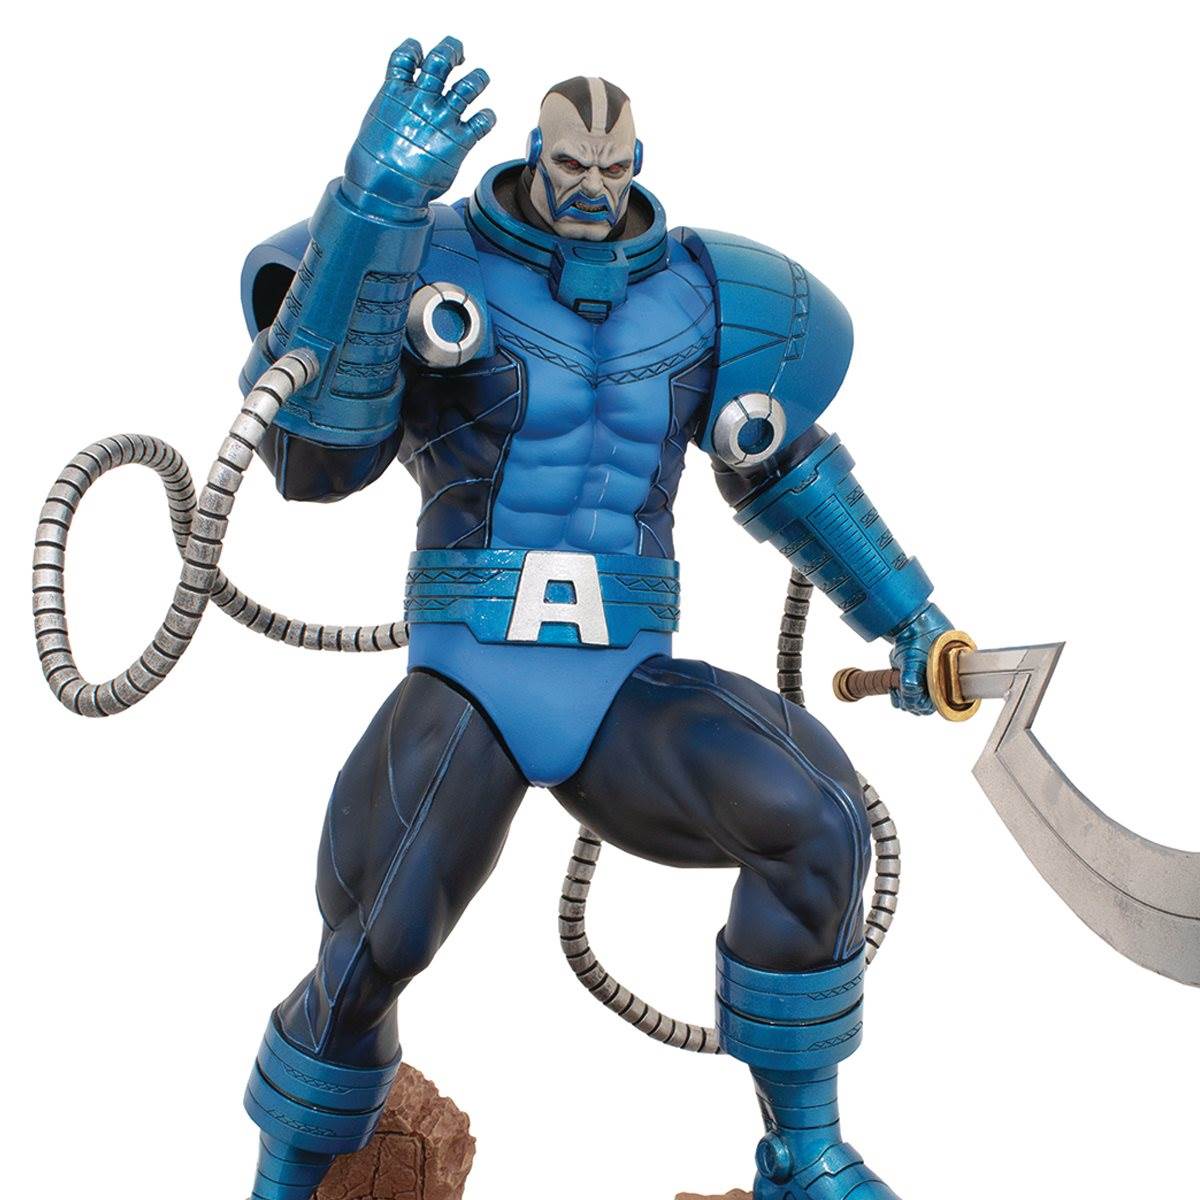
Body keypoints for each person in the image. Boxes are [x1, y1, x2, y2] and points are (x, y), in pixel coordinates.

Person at [239, 36, 953, 1200]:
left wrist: (911, 621)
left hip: (628, 684)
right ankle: (287, 1175)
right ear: (536, 152)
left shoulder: (709, 291)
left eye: (614, 167)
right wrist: (373, 208)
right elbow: (311, 463)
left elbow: (785, 468)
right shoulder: (432, 256)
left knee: (819, 820)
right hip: (474, 672)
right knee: (375, 941)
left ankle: (803, 1153)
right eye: (573, 163)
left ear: (639, 162)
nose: (592, 186)